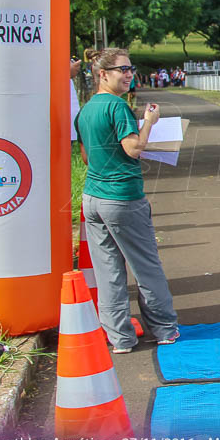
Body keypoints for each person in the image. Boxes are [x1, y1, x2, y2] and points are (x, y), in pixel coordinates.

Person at [75, 48, 179, 352]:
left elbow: (85, 157)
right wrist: (149, 120)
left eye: (131, 68)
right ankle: (164, 329)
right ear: (103, 74)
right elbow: (134, 148)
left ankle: (119, 337)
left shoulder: (84, 111)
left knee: (107, 270)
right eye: (123, 69)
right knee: (146, 266)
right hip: (123, 197)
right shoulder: (117, 107)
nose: (129, 74)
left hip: (93, 197)